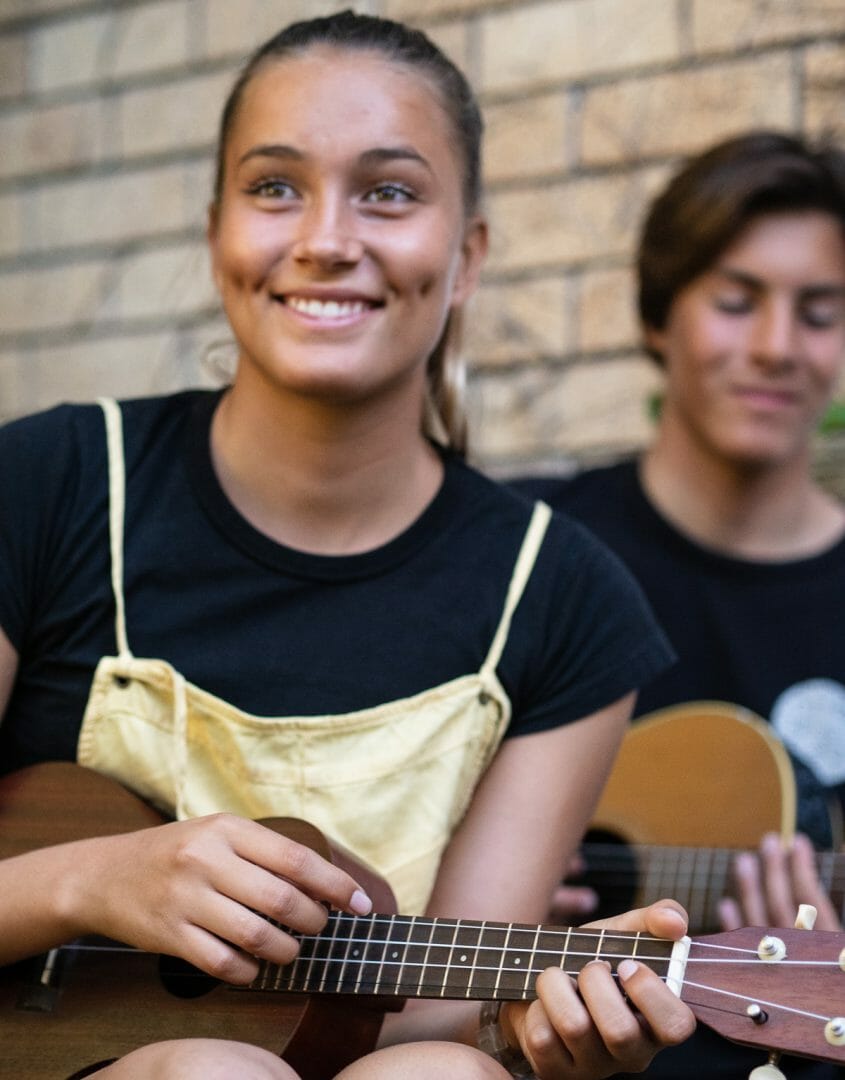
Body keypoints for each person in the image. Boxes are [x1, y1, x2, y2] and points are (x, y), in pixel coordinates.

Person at [0, 11, 695, 1079]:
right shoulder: (45, 484)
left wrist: (531, 1033)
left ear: (465, 258)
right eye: (274, 186)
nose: (326, 237)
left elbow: (430, 1017)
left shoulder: (560, 596)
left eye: (388, 191)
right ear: (216, 231)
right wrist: (92, 881)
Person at [514, 130, 845, 1079]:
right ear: (660, 319)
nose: (777, 348)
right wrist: (491, 891)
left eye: (818, 312)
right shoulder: (535, 544)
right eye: (736, 303)